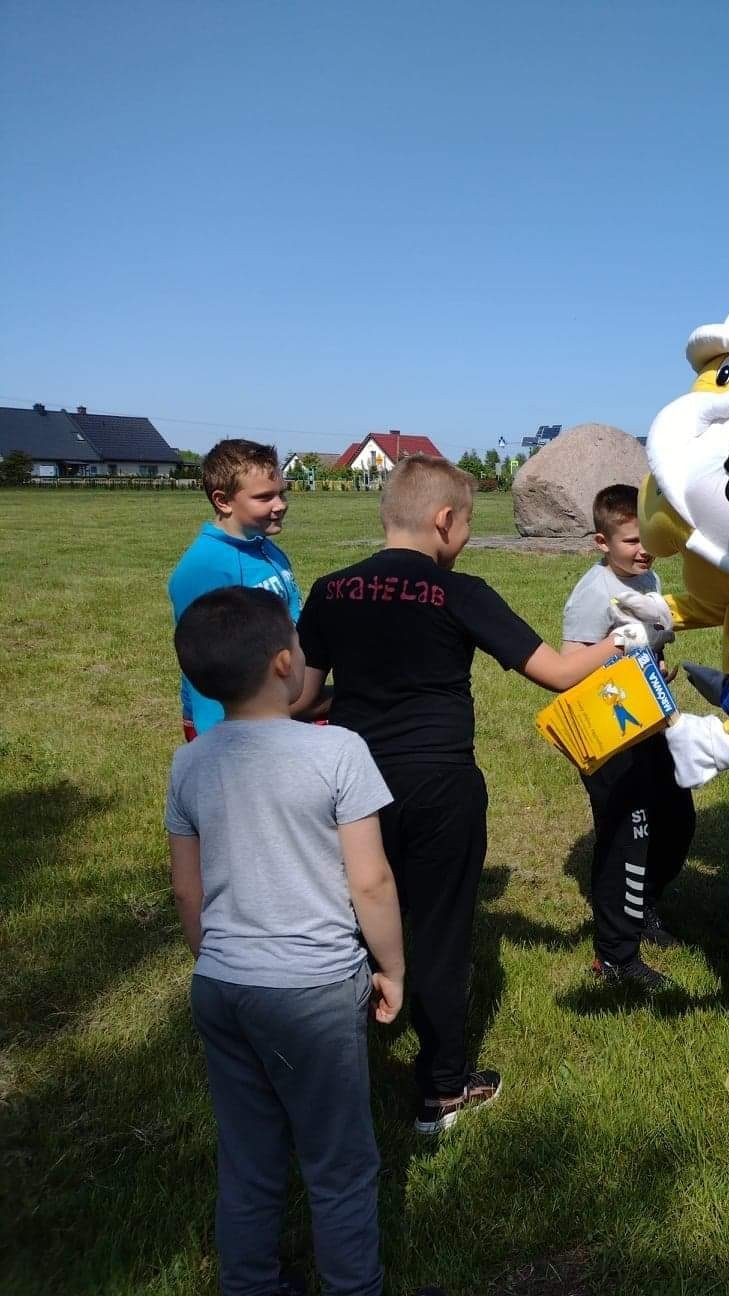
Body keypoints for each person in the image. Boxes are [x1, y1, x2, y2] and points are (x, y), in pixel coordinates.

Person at [293, 455, 651, 1135]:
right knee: (440, 932)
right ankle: (443, 1090)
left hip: (348, 786)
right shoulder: (459, 591)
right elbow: (555, 672)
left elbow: (303, 699)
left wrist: (365, 692)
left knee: (352, 925)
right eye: (467, 523)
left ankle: (333, 1073)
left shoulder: (331, 589)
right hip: (439, 785)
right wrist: (618, 641)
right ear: (444, 521)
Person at [166, 586, 404, 1296]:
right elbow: (371, 882)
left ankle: (249, 1285)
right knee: (339, 1163)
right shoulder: (339, 750)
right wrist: (392, 968)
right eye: (300, 644)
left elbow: (186, 892)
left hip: (221, 984)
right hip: (314, 988)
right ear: (283, 663)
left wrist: (215, 957)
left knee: (248, 1157)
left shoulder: (190, 763)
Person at [560, 484, 694, 988]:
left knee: (677, 820)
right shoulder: (594, 593)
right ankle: (615, 957)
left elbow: (651, 645)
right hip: (609, 734)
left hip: (651, 722)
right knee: (627, 836)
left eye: (647, 540)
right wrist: (621, 667)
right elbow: (570, 667)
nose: (643, 550)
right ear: (602, 542)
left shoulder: (648, 576)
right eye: (631, 541)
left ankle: (642, 906)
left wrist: (656, 669)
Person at [167, 439, 301, 740]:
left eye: (281, 493)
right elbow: (209, 659)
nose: (280, 505)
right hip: (233, 728)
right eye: (264, 497)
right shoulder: (204, 568)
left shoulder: (266, 549)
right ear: (223, 501)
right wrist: (224, 742)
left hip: (273, 705)